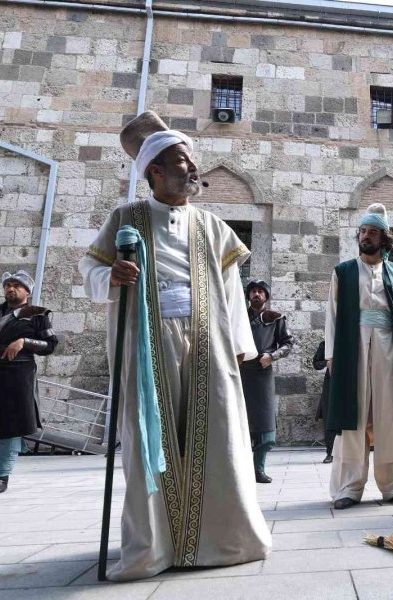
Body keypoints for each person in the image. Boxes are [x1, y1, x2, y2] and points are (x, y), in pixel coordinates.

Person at [78, 111, 270, 581]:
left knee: (216, 437)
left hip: (208, 340)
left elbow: (231, 290)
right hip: (147, 340)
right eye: (183, 161)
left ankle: (222, 542)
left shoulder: (212, 225)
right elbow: (89, 270)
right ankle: (155, 549)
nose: (193, 168)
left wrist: (238, 346)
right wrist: (111, 275)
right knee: (151, 437)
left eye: (191, 160)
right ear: (156, 171)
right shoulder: (125, 218)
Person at [324, 203, 393, 510]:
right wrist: (331, 355)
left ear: (384, 238)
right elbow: (332, 314)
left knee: (392, 414)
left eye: (372, 232)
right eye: (363, 231)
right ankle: (348, 487)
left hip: (390, 348)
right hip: (352, 347)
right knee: (353, 417)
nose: (366, 236)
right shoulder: (343, 272)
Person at [0, 270, 58, 495]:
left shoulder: (38, 314)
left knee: (9, 427)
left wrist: (24, 341)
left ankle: (1, 477)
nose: (11, 288)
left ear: (27, 291)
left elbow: (51, 345)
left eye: (17, 285)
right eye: (8, 285)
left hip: (16, 377)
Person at [239, 279, 294, 484]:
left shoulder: (276, 318)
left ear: (266, 296)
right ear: (248, 295)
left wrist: (272, 356)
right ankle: (240, 471)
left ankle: (258, 469)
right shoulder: (238, 316)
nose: (257, 294)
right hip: (239, 372)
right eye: (253, 291)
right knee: (239, 420)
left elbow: (288, 343)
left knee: (264, 422)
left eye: (260, 291)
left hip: (262, 374)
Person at [312, 340, 335, 464]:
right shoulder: (326, 344)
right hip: (331, 384)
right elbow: (316, 363)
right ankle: (330, 452)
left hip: (349, 383)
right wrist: (327, 363)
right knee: (329, 418)